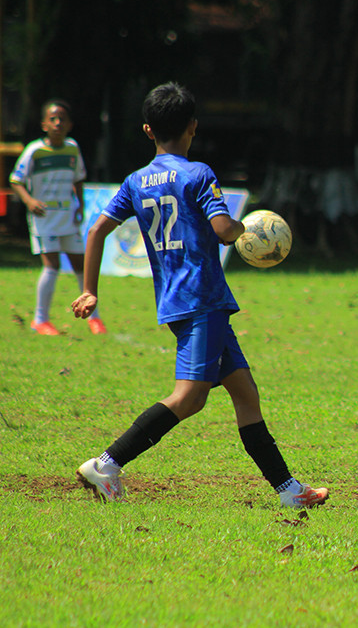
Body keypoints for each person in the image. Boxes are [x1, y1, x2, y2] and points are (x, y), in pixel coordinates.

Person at [71, 81, 327, 508]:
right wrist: (247, 229)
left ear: (148, 130)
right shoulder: (198, 174)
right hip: (202, 299)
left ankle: (289, 491)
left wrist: (89, 290)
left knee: (245, 393)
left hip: (179, 300)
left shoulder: (136, 181)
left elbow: (96, 230)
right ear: (193, 126)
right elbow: (224, 230)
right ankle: (106, 464)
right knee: (190, 397)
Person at [9, 99, 106, 335]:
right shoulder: (34, 150)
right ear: (44, 124)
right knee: (52, 264)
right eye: (52, 119)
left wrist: (80, 205)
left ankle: (95, 318)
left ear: (70, 124)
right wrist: (30, 201)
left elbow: (78, 179)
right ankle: (40, 320)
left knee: (80, 265)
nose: (57, 123)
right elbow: (16, 180)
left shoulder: (72, 148)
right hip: (44, 218)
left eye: (62, 119)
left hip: (67, 216)